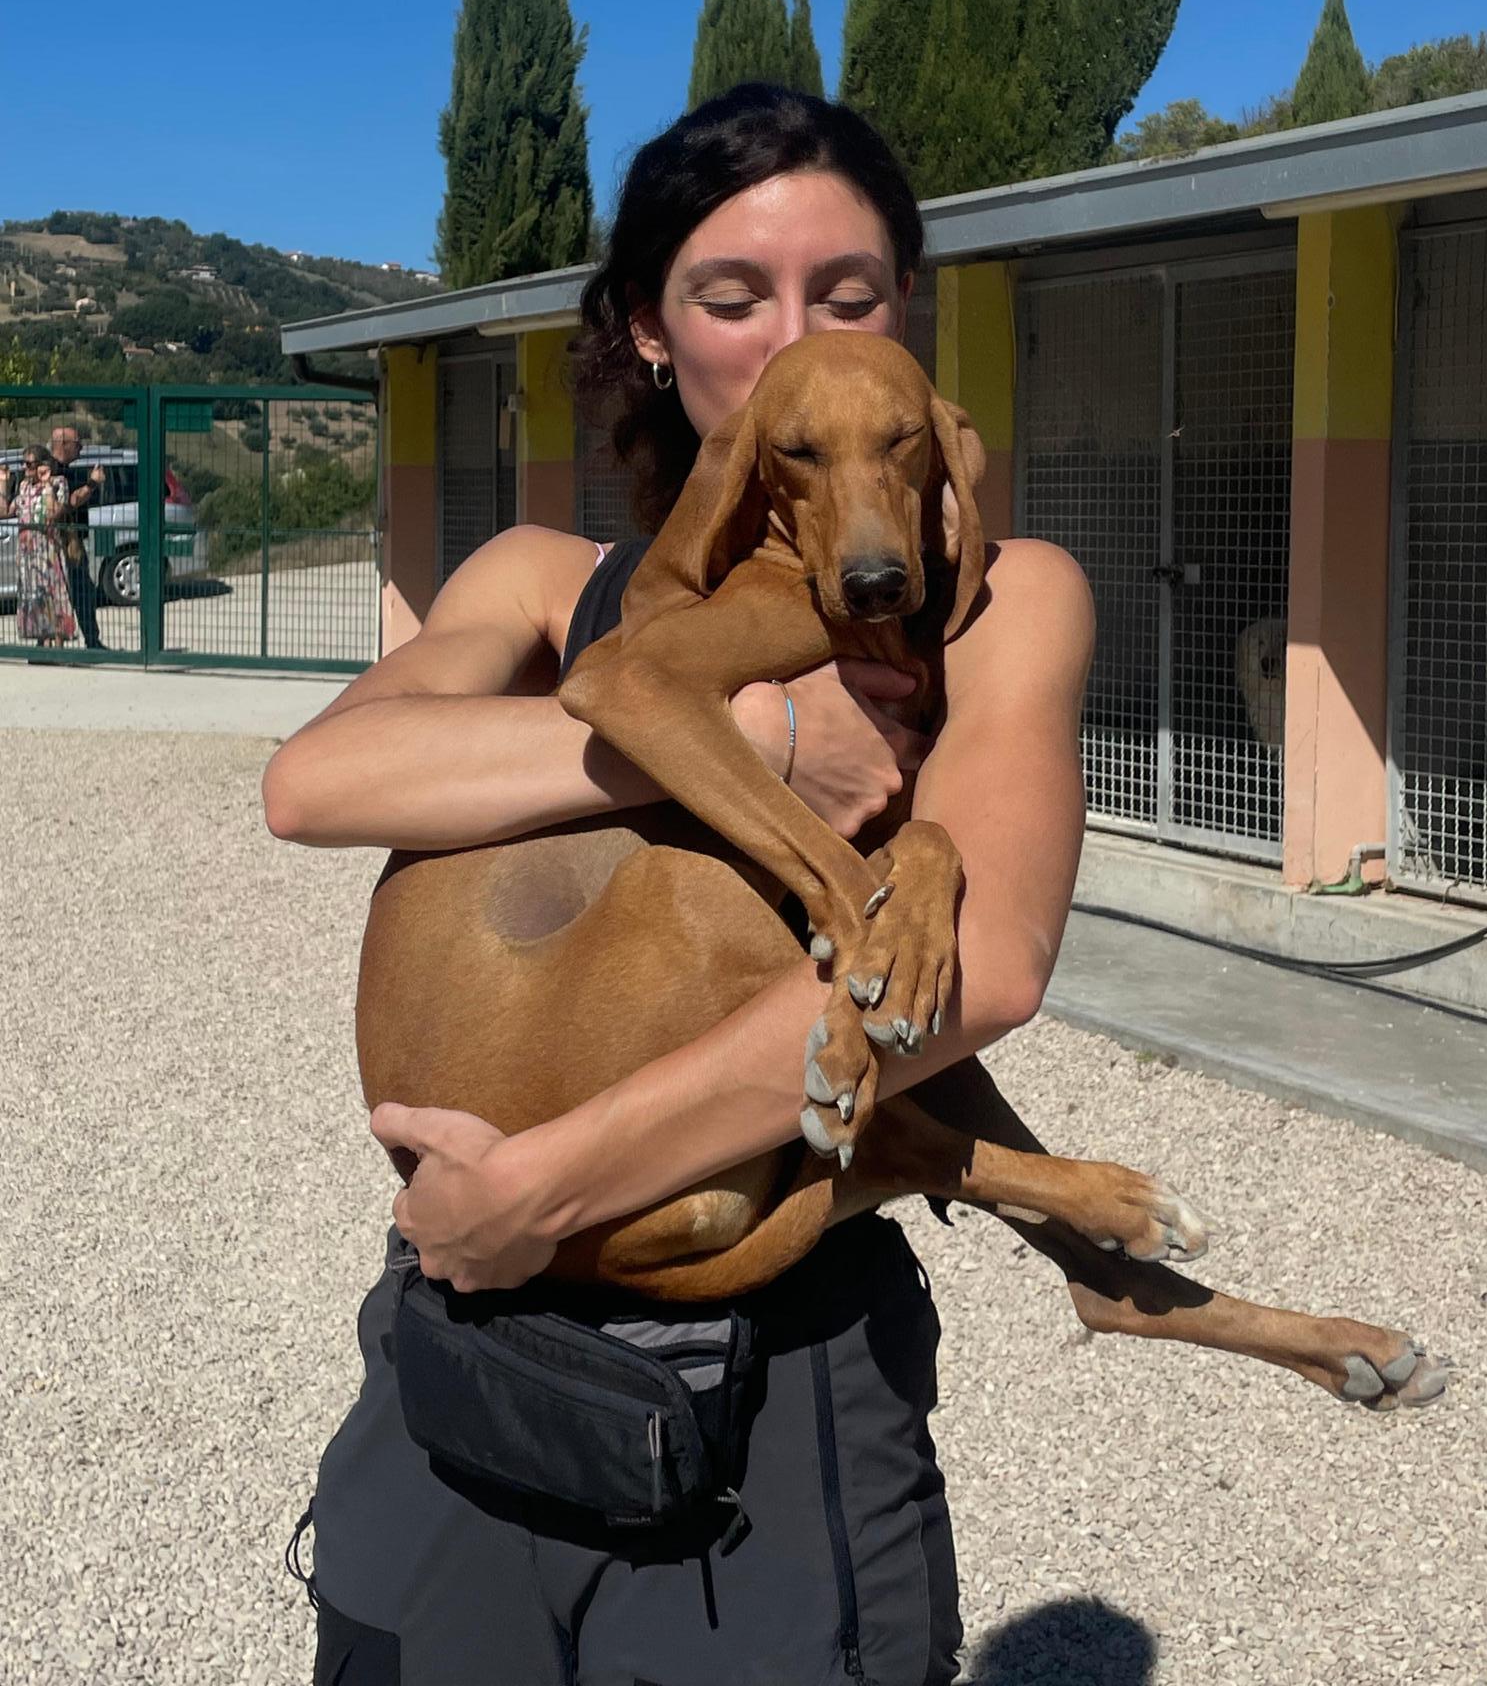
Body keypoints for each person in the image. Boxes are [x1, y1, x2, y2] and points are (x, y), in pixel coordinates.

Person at [262, 85, 1094, 1686]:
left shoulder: (996, 602)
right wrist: (748, 736)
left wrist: (542, 1188)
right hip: (471, 1359)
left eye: (847, 295)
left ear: (901, 322)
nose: (793, 335)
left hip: (769, 1377)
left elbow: (980, 968)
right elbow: (317, 782)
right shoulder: (542, 584)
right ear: (650, 330)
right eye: (731, 296)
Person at [2, 447, 78, 647]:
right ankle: (42, 641)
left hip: (48, 548)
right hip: (27, 552)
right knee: (33, 596)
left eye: (29, 464)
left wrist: (47, 485)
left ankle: (58, 644)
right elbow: (5, 511)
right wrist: (3, 484)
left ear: (42, 465)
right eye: (24, 463)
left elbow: (54, 513)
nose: (25, 468)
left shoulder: (58, 483)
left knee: (54, 594)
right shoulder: (24, 486)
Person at [46, 425, 108, 649]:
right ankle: (73, 642)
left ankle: (90, 639)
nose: (81, 448)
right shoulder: (52, 470)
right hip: (63, 541)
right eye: (77, 444)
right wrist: (92, 484)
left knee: (81, 591)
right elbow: (69, 502)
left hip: (73, 539)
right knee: (74, 592)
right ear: (63, 444)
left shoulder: (66, 469)